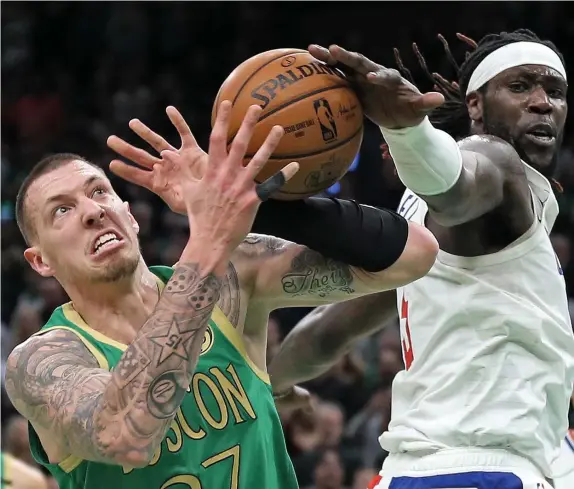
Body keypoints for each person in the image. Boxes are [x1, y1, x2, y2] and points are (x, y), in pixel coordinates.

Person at [4, 102, 438, 489]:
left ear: (130, 216)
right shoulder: (42, 362)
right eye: (62, 210)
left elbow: (414, 255)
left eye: (99, 192)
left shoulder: (234, 275)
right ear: (40, 261)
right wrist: (210, 238)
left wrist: (257, 205)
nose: (93, 211)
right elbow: (125, 434)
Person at [265, 30, 574, 489]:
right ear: (475, 105)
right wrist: (407, 131)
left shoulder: (417, 237)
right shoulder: (495, 161)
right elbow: (457, 188)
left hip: (409, 473)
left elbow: (334, 329)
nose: (542, 101)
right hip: (486, 470)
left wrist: (275, 383)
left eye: (555, 91)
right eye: (520, 85)